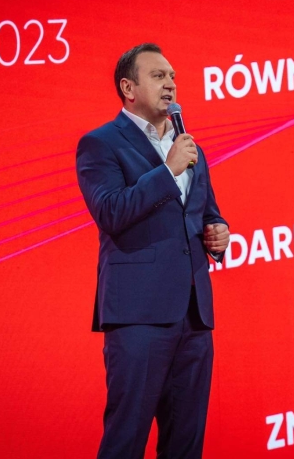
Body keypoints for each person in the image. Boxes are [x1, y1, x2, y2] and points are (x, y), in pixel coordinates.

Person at [75, 43, 230, 459]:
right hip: (138, 316)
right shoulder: (100, 144)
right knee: (126, 441)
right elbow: (111, 211)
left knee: (185, 444)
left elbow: (207, 212)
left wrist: (219, 232)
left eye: (173, 76)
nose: (171, 84)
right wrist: (167, 170)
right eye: (158, 76)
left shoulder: (188, 145)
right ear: (128, 88)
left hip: (193, 316)